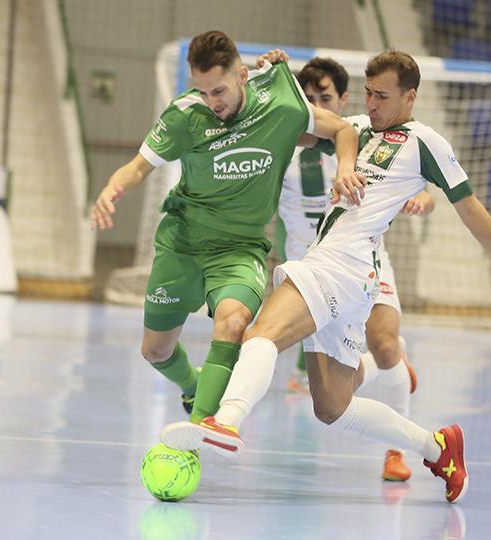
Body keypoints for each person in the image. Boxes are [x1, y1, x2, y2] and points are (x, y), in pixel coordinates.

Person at [161, 49, 491, 504]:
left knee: (261, 334)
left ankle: (227, 420)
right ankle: (438, 448)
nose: (372, 103)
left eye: (383, 96)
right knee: (332, 406)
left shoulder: (426, 142)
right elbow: (285, 124)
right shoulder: (355, 128)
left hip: (345, 262)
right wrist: (264, 79)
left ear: (410, 96)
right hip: (345, 272)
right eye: (368, 93)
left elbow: (470, 207)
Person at [90, 31, 361, 425]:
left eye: (218, 90)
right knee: (155, 351)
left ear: (242, 75)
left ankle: (198, 430)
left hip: (240, 248)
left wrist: (346, 168)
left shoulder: (281, 103)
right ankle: (192, 384)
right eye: (203, 92)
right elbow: (137, 167)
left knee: (234, 323)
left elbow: (342, 129)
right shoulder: (185, 115)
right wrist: (111, 190)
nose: (212, 101)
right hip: (183, 243)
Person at [278, 56, 433, 482]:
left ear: (343, 100)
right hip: (310, 269)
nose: (316, 105)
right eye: (308, 98)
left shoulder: (365, 139)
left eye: (324, 98)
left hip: (365, 260)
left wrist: (421, 201)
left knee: (384, 342)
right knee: (332, 391)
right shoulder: (285, 147)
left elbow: (422, 188)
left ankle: (397, 451)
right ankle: (385, 367)